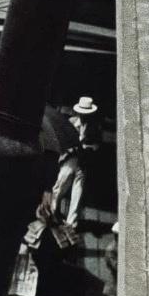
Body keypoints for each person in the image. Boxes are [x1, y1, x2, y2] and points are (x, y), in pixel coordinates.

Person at [50, 96, 101, 228]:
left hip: (84, 159)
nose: (83, 116)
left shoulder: (94, 127)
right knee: (61, 184)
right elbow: (63, 140)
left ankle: (72, 222)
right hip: (71, 157)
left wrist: (88, 147)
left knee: (77, 190)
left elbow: (97, 146)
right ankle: (53, 211)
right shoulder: (71, 122)